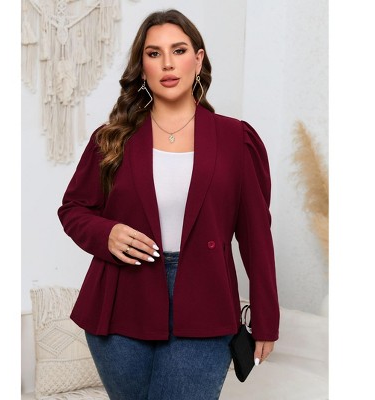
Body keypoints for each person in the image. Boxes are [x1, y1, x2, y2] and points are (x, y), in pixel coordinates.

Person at [58, 9, 280, 400]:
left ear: (198, 59)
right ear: (142, 67)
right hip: (120, 301)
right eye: (154, 53)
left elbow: (256, 236)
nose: (167, 63)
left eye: (178, 50)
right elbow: (73, 208)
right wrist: (106, 233)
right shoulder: (112, 138)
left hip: (206, 298)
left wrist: (266, 316)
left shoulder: (236, 139)